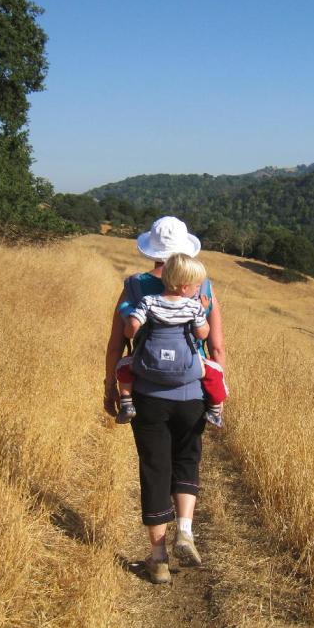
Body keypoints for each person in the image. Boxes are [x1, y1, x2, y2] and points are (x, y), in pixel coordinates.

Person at [103, 216, 227, 585]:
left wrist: (111, 385)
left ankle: (157, 560)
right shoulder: (200, 286)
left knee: (154, 467)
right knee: (186, 459)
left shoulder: (135, 287)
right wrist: (218, 390)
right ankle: (185, 530)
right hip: (191, 392)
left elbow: (117, 343)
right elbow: (215, 345)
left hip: (147, 394)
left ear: (151, 250)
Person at [115, 252, 227, 428]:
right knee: (215, 371)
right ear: (184, 287)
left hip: (148, 369)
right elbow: (202, 334)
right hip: (187, 373)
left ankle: (127, 402)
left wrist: (130, 322)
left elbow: (131, 329)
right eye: (196, 286)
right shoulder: (193, 306)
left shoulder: (148, 301)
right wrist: (203, 310)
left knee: (123, 366)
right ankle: (214, 408)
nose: (198, 289)